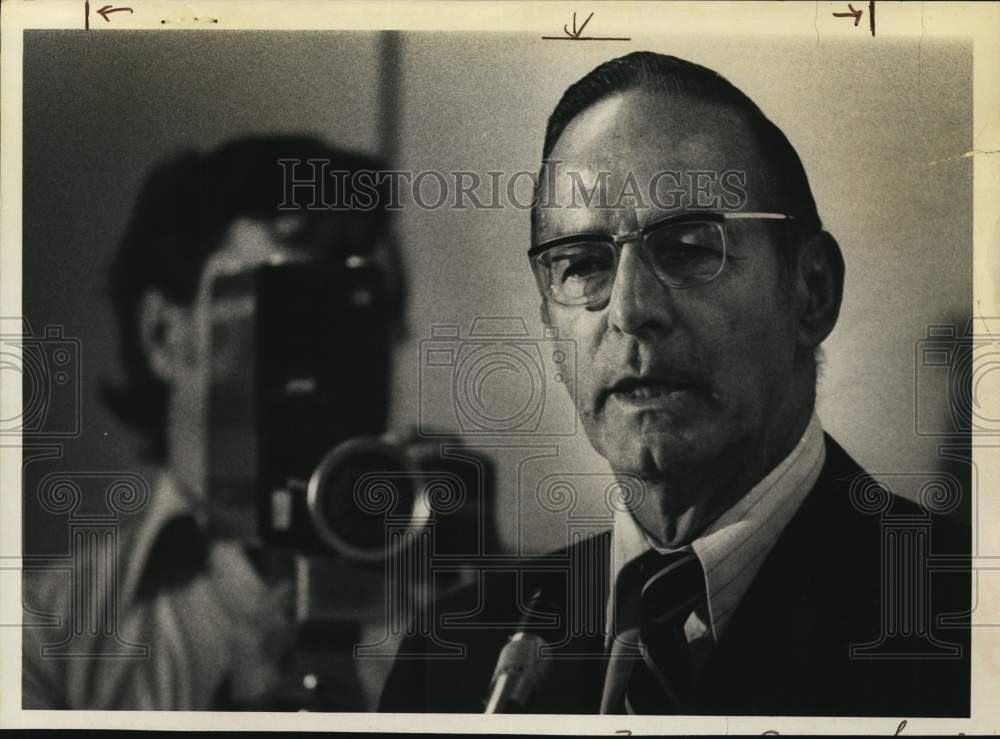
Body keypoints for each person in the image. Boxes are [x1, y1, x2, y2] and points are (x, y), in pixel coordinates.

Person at [379, 52, 970, 715]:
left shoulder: (965, 619)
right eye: (582, 263)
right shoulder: (453, 651)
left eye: (690, 248)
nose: (630, 310)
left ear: (811, 291)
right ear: (548, 312)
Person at [22, 135, 403, 710]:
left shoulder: (464, 596)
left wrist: (483, 622)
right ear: (164, 334)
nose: (332, 347)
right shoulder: (42, 635)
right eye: (295, 305)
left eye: (360, 305)